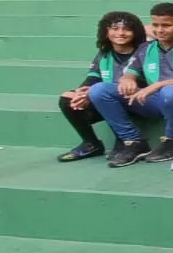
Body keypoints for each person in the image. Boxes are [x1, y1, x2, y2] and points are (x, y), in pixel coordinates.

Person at [88, 3, 173, 168]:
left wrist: (156, 86)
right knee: (99, 90)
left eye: (166, 25)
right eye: (155, 25)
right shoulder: (145, 47)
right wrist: (127, 80)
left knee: (170, 91)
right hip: (151, 101)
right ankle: (134, 141)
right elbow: (130, 72)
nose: (160, 30)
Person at [56, 12, 148, 162]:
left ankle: (125, 140)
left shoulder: (144, 52)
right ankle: (91, 144)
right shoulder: (104, 53)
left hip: (135, 101)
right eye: (115, 28)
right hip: (104, 98)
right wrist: (83, 92)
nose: (121, 33)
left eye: (127, 29)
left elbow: (142, 83)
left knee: (104, 94)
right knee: (68, 98)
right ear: (106, 31)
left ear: (135, 32)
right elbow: (93, 77)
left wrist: (93, 92)